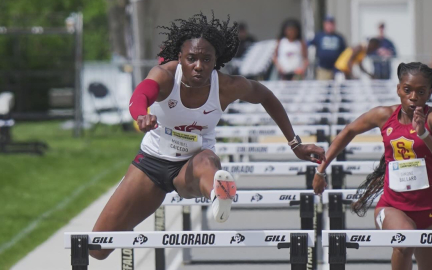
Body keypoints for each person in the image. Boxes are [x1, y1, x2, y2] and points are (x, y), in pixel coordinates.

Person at [90, 12, 326, 260]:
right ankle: (211, 190)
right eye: (191, 58)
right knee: (97, 248)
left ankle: (218, 193)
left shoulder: (225, 86)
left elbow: (266, 96)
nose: (199, 66)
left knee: (207, 161)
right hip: (152, 162)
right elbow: (139, 96)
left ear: (216, 61)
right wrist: (141, 115)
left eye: (206, 59)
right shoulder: (165, 76)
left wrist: (295, 144)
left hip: (193, 165)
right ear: (179, 58)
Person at [313, 62, 432, 269]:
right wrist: (320, 170)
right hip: (393, 208)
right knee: (404, 241)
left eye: (421, 92)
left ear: (429, 92)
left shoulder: (430, 119)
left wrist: (423, 133)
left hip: (428, 210)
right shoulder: (384, 115)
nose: (413, 97)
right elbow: (348, 131)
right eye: (407, 90)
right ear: (398, 89)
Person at [308, 15, 347, 80]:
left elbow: (345, 52)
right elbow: (308, 44)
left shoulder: (339, 37)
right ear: (324, 25)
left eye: (331, 24)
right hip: (323, 68)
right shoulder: (319, 35)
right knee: (323, 87)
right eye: (328, 24)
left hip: (337, 68)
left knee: (338, 87)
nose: (330, 26)